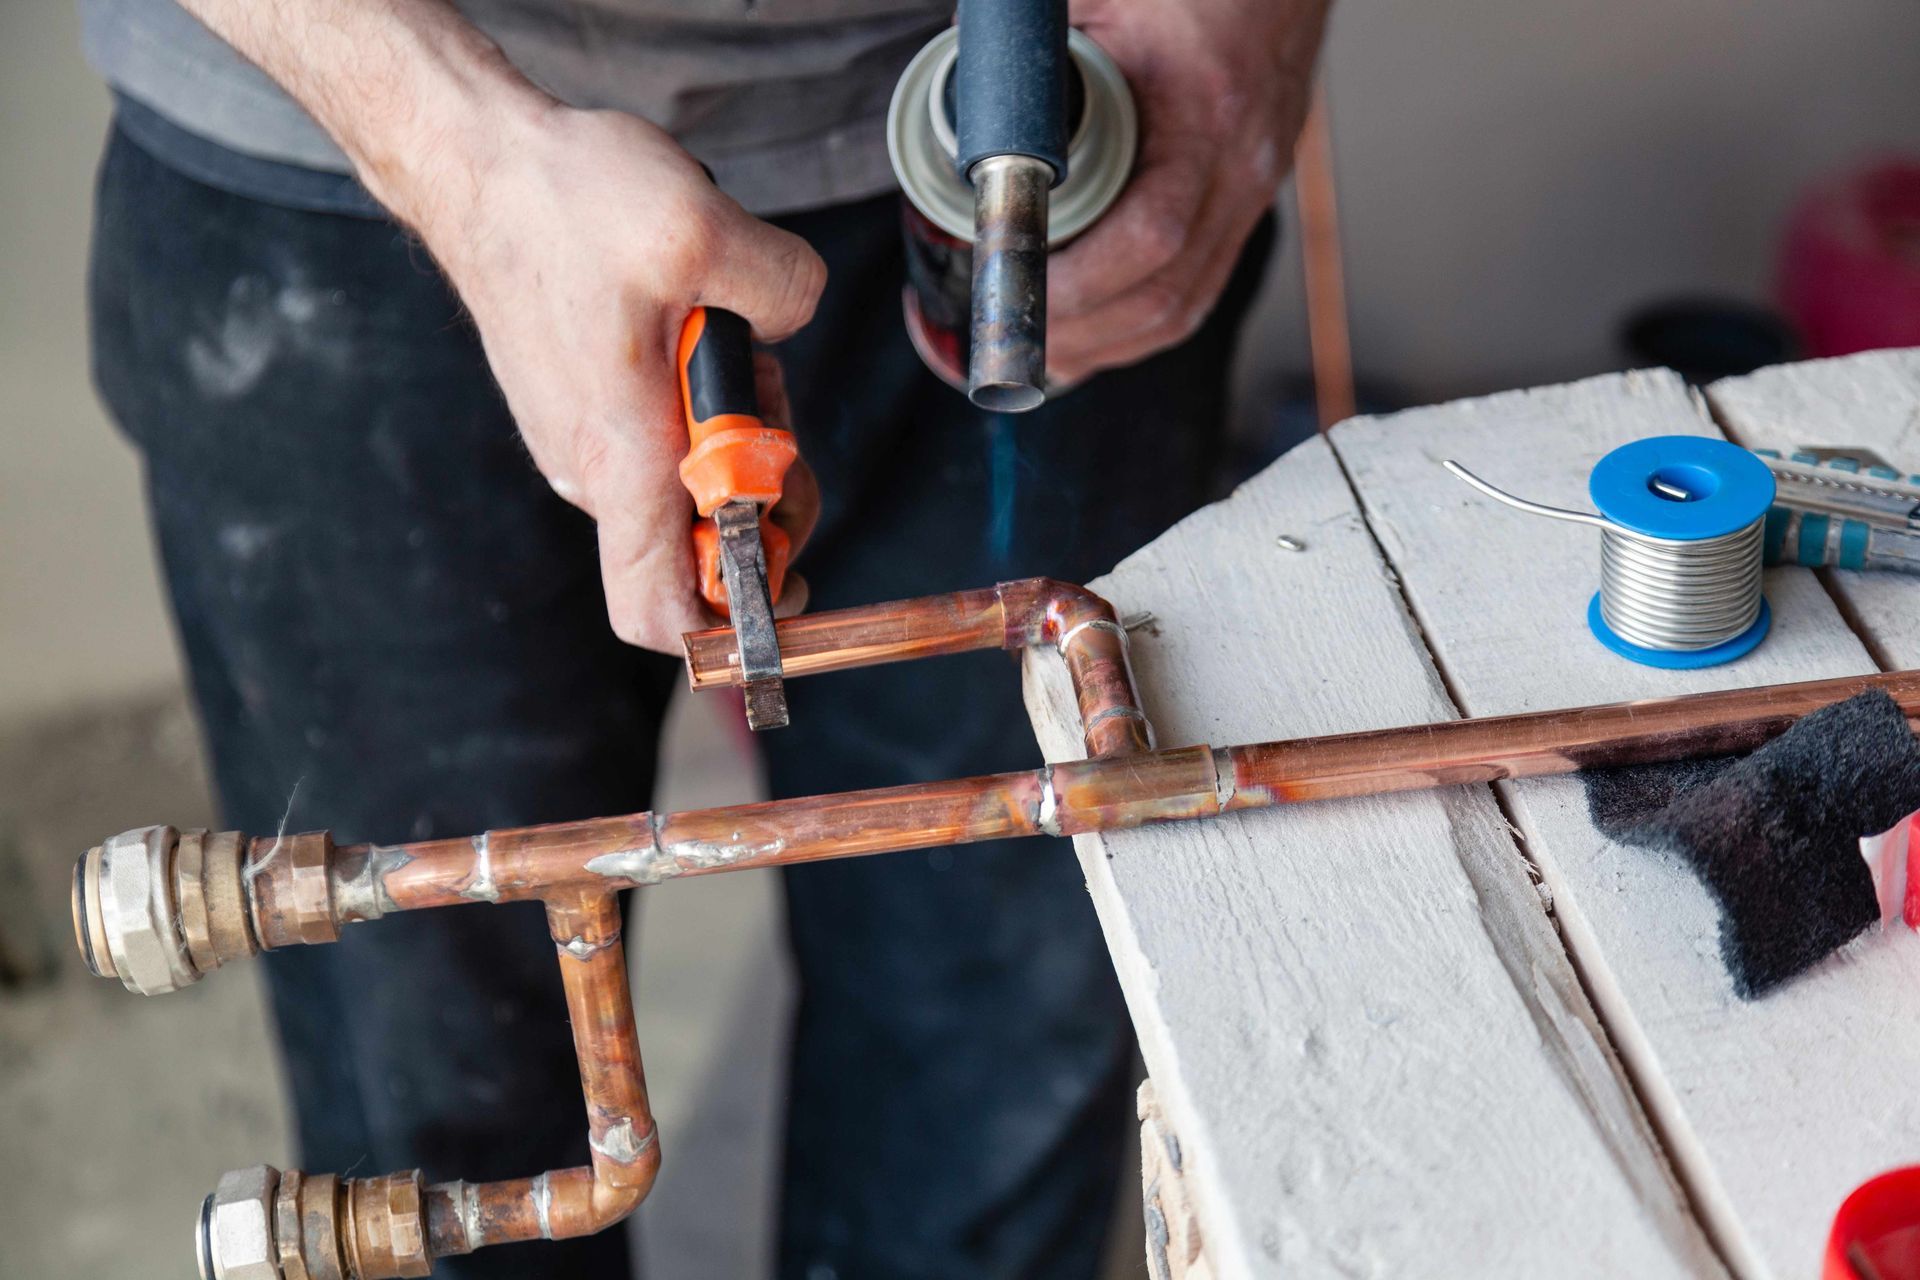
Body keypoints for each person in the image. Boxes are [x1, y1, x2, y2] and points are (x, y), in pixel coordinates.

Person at [79, 1, 1328, 1275]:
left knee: (995, 1052)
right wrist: (454, 146)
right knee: (444, 1114)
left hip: (1037, 127)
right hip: (345, 159)